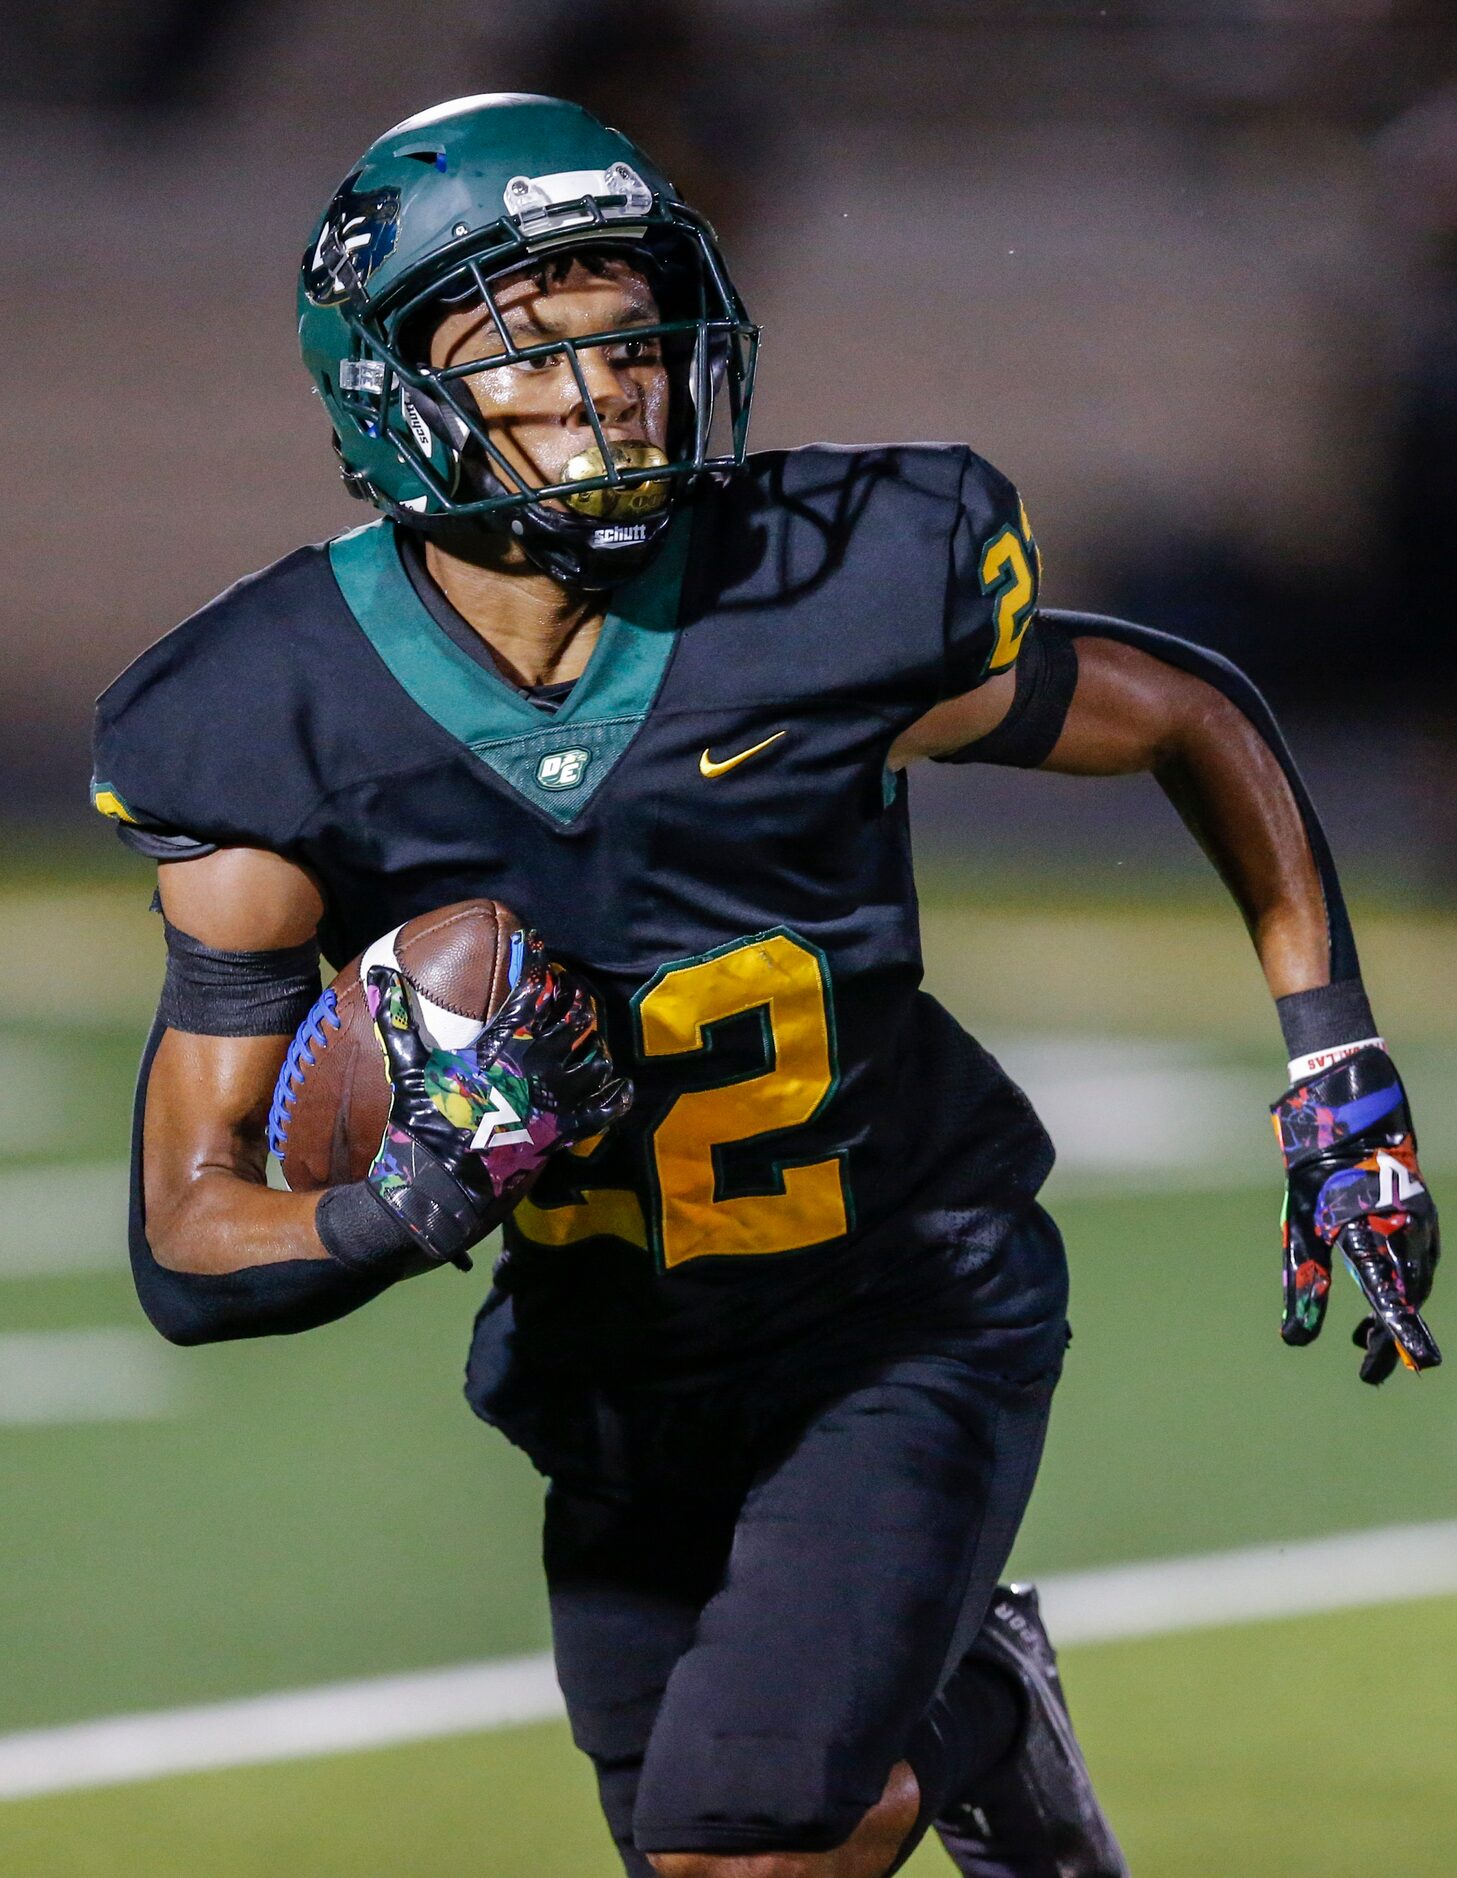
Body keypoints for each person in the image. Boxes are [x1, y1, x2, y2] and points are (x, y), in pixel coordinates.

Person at [92, 94, 1440, 1878]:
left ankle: (947, 1705)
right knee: (706, 1841)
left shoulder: (822, 591)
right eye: (534, 348)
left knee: (743, 1838)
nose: (611, 389)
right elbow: (190, 1244)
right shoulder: (263, 716)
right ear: (393, 389)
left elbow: (1180, 708)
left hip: (900, 1309)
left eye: (631, 335)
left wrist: (1327, 1049)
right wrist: (408, 1199)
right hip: (617, 1368)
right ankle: (975, 1710)